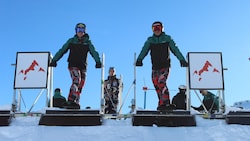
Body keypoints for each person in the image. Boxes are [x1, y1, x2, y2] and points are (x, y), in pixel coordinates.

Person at [135, 21, 188, 111]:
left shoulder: (167, 38)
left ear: (162, 29)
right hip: (155, 66)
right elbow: (144, 50)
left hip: (165, 65)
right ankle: (161, 103)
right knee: (156, 84)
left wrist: (182, 60)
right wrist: (139, 59)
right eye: (154, 28)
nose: (156, 30)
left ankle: (167, 103)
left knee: (161, 83)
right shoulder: (150, 40)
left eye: (158, 28)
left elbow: (175, 49)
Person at [49, 23, 102, 109]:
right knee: (77, 79)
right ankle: (71, 100)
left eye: (82, 30)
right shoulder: (71, 41)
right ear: (76, 31)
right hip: (73, 64)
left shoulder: (87, 42)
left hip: (83, 66)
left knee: (81, 84)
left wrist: (98, 61)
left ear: (84, 31)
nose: (80, 32)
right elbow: (62, 50)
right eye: (78, 30)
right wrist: (54, 60)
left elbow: (93, 52)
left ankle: (76, 102)